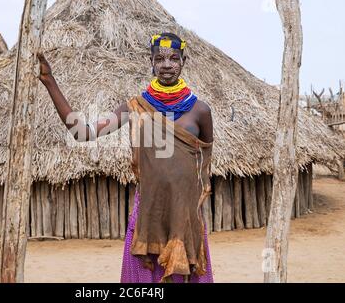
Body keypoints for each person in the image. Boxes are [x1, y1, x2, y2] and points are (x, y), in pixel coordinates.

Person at [37, 32, 214, 283]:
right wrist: (49, 81)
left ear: (184, 60)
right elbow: (82, 132)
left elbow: (203, 163)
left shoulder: (200, 111)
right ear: (150, 62)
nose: (166, 65)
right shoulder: (134, 108)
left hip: (184, 217)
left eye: (174, 58)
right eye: (159, 58)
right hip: (147, 216)